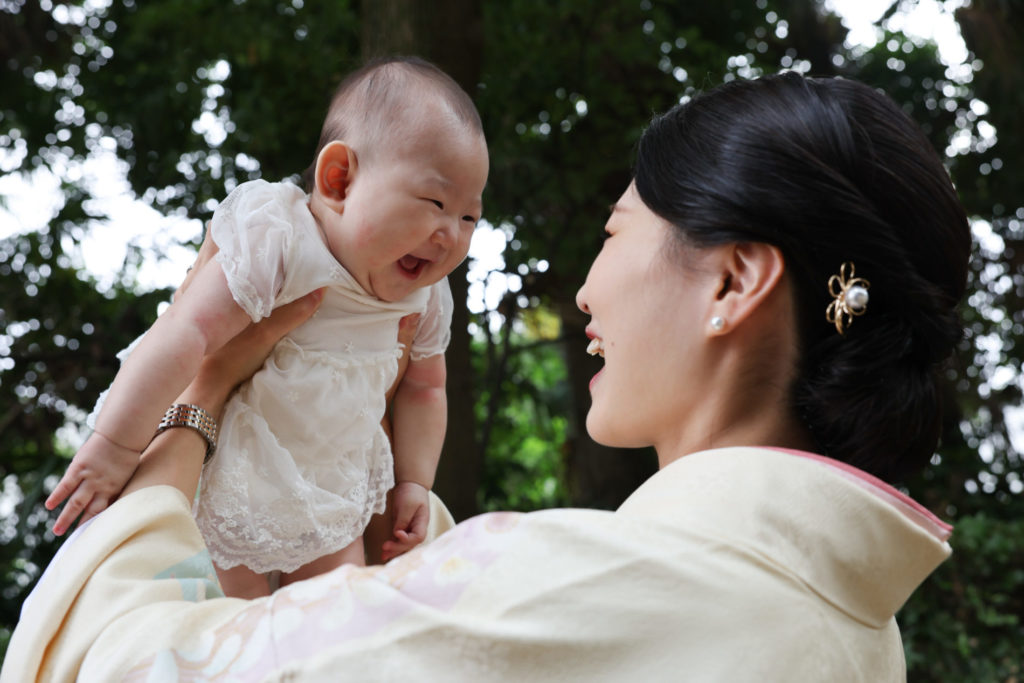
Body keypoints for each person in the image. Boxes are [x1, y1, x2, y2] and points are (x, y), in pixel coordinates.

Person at [5, 71, 969, 681]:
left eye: (614, 230)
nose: (586, 290)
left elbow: (119, 666)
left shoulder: (566, 589)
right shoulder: (861, 636)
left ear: (731, 279)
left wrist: (199, 402)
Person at [42, 56, 490, 597]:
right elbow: (188, 333)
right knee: (234, 625)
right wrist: (116, 444)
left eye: (469, 217)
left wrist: (416, 480)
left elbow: (425, 388)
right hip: (229, 476)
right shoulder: (281, 239)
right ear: (339, 179)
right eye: (435, 202)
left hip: (332, 494)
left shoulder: (425, 297)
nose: (451, 235)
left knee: (331, 622)